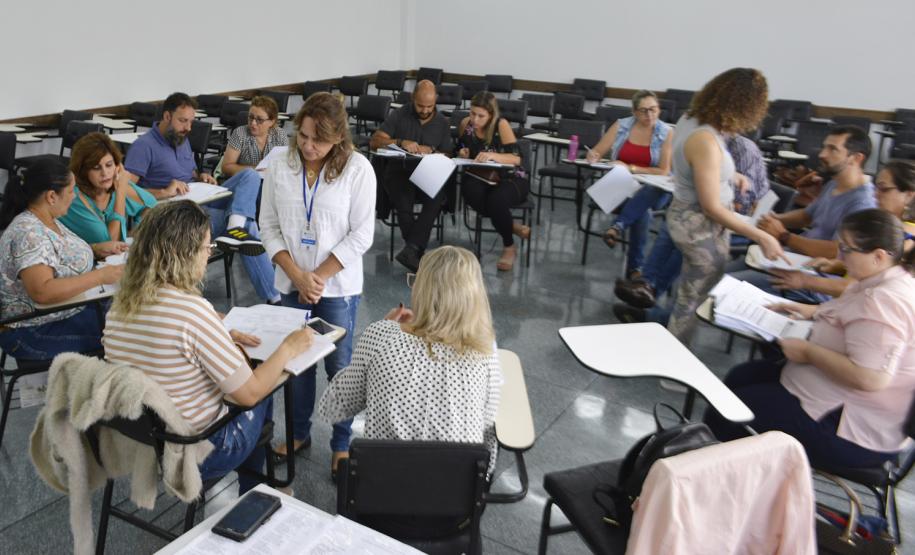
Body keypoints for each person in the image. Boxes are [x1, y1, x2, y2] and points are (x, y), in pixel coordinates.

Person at [102, 200, 313, 494]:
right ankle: (255, 491)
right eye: (206, 247)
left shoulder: (118, 307)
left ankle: (255, 488)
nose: (208, 254)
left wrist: (216, 330)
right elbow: (249, 394)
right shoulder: (191, 311)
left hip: (144, 442)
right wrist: (288, 348)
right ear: (184, 254)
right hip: (201, 450)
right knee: (265, 386)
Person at [705, 209, 915, 469]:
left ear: (879, 256)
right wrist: (812, 311)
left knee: (728, 412)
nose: (840, 257)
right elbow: (853, 317)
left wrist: (808, 353)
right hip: (833, 394)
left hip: (848, 427)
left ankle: (725, 475)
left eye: (847, 250)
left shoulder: (884, 302)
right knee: (741, 377)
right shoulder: (883, 279)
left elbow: (871, 378)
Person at [259, 92, 375, 478]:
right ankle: (298, 433)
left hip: (336, 286)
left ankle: (341, 443)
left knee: (339, 366)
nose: (308, 146)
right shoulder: (281, 163)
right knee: (296, 362)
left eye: (319, 141)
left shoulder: (357, 169)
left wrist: (319, 276)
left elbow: (362, 234)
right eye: (304, 136)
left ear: (338, 138)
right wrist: (296, 275)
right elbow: (268, 225)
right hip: (292, 282)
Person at [316, 246, 502, 474]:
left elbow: (333, 406)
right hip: (456, 488)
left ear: (422, 290)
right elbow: (487, 422)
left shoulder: (382, 336)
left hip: (379, 484)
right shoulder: (485, 352)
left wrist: (383, 328)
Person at [665, 67, 785, 346]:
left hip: (690, 217)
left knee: (690, 295)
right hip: (700, 225)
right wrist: (761, 235)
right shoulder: (705, 140)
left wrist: (732, 175)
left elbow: (700, 165)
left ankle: (671, 349)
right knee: (692, 302)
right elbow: (711, 207)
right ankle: (673, 360)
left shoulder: (691, 119)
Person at [123, 92, 281, 304]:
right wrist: (162, 192)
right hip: (175, 215)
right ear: (167, 116)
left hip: (200, 199)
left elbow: (190, 174)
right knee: (248, 227)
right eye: (183, 121)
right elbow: (123, 189)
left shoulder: (181, 138)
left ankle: (236, 225)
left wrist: (202, 176)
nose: (188, 127)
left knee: (250, 176)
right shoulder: (144, 146)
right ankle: (274, 296)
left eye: (191, 121)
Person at [613, 134, 770, 320]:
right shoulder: (709, 142)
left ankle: (650, 292)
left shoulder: (741, 148)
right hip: (713, 212)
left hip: (743, 220)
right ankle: (647, 285)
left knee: (688, 237)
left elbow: (741, 199)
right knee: (673, 226)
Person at [727, 125, 876, 303]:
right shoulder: (835, 183)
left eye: (832, 149)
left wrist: (784, 236)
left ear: (856, 158)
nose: (822, 154)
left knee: (724, 285)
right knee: (719, 273)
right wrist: (773, 219)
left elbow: (836, 251)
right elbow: (807, 216)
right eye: (824, 147)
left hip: (811, 277)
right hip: (793, 259)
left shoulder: (862, 203)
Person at [0, 158, 123, 361]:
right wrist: (100, 276)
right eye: (71, 191)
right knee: (127, 333)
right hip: (35, 330)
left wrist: (95, 249)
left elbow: (55, 254)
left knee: (129, 311)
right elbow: (43, 291)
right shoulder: (28, 233)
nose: (74, 196)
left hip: (67, 309)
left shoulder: (45, 218)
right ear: (51, 196)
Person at [767, 159, 915, 298]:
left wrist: (804, 281)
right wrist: (837, 265)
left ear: (909, 195)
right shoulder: (888, 226)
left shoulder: (905, 240)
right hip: (837, 294)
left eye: (883, 189)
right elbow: (869, 271)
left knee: (766, 280)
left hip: (843, 300)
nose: (875, 194)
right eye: (876, 187)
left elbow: (856, 288)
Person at [585, 90, 673, 279]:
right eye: (643, 110)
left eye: (653, 109)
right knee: (643, 212)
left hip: (654, 190)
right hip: (621, 187)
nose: (649, 115)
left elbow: (663, 171)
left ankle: (617, 227)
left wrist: (631, 168)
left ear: (659, 109)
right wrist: (593, 155)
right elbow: (598, 151)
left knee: (646, 196)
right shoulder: (622, 125)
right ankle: (634, 269)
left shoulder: (666, 132)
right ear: (634, 112)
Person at [369, 80, 453, 272]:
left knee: (437, 198)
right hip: (399, 170)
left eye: (429, 106)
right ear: (413, 98)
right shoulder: (400, 114)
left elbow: (448, 154)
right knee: (403, 201)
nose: (425, 110)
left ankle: (412, 250)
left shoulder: (442, 122)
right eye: (420, 106)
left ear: (435, 100)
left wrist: (432, 150)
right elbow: (375, 141)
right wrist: (401, 142)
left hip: (428, 172)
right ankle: (415, 252)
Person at [456, 91, 530, 271]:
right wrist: (462, 152)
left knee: (496, 200)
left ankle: (509, 247)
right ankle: (512, 226)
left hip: (512, 177)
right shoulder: (466, 124)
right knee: (469, 191)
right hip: (481, 176)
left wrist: (493, 155)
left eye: (481, 116)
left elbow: (517, 158)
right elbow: (460, 145)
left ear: (491, 115)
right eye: (472, 113)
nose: (475, 119)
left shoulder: (501, 124)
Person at [60, 132, 156, 249]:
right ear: (83, 171)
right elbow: (110, 244)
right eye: (96, 168)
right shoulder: (73, 198)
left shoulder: (115, 184)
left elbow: (152, 206)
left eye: (109, 165)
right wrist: (121, 193)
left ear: (117, 166)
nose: (105, 173)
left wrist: (133, 234)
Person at [221, 95, 288, 176]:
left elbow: (286, 165)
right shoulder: (240, 133)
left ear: (272, 121)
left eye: (259, 120)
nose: (253, 123)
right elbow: (226, 167)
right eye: (251, 117)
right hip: (245, 180)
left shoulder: (280, 135)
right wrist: (255, 169)